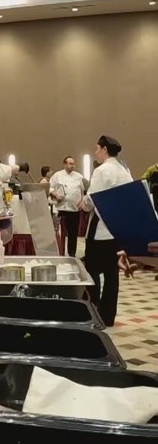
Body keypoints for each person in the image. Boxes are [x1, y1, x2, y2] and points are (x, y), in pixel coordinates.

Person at [80, 136, 132, 326]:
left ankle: (93, 311)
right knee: (112, 274)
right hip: (117, 229)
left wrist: (83, 204)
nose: (95, 153)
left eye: (97, 149)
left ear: (104, 150)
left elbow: (92, 198)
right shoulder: (124, 171)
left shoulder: (101, 170)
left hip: (100, 229)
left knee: (91, 270)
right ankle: (108, 315)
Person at [50, 156, 87, 257]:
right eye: (70, 164)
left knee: (73, 233)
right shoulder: (57, 175)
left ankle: (72, 254)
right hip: (60, 208)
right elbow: (50, 187)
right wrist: (55, 194)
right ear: (65, 164)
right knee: (60, 232)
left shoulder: (79, 176)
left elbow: (84, 191)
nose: (72, 166)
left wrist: (82, 202)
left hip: (74, 209)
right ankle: (60, 253)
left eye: (73, 164)